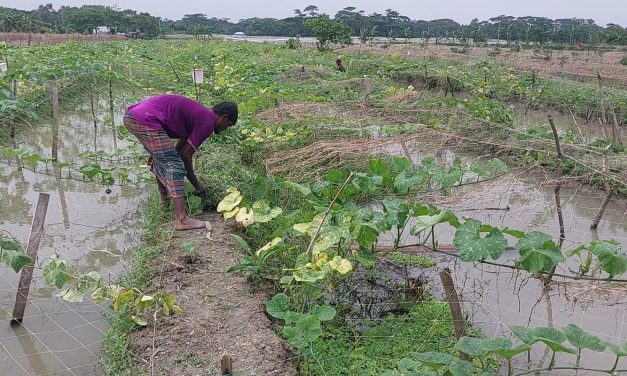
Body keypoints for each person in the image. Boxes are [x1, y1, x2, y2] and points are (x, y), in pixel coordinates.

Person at [123, 95, 238, 230]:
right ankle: (182, 220)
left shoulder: (200, 116)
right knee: (175, 165)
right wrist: (196, 184)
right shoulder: (206, 123)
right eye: (228, 125)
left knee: (164, 160)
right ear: (223, 118)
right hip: (145, 119)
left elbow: (179, 151)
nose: (226, 129)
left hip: (134, 116)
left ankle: (165, 204)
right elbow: (186, 156)